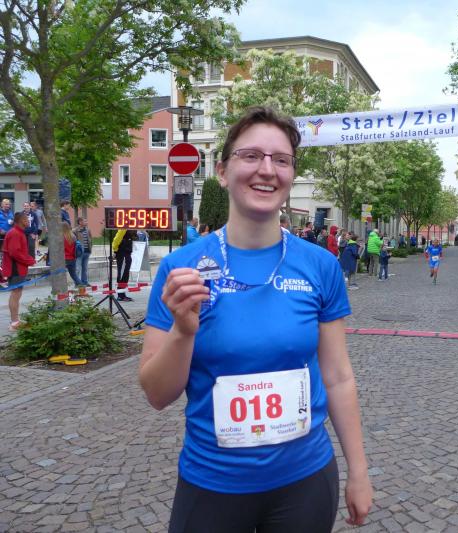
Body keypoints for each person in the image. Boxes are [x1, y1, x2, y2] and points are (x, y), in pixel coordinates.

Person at [139, 106, 372, 531]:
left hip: (305, 482)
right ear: (223, 171)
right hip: (212, 483)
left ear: (291, 175)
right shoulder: (181, 270)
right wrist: (183, 332)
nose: (267, 170)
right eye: (250, 156)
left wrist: (358, 471)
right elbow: (157, 394)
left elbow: (338, 377)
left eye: (281, 160)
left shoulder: (320, 266)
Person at [2, 212, 35, 330]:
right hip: (15, 268)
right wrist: (29, 260)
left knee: (17, 293)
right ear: (22, 221)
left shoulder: (18, 232)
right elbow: (15, 253)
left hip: (18, 268)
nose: (28, 221)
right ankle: (14, 322)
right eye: (27, 219)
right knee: (15, 294)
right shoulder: (15, 233)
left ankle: (15, 320)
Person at [112, 229, 136, 302]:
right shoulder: (123, 228)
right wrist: (115, 250)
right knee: (122, 274)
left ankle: (123, 294)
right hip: (122, 254)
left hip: (127, 254)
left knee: (125, 275)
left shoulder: (129, 229)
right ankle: (120, 295)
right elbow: (116, 239)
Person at [74, 217, 92, 286]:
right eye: (85, 221)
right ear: (80, 222)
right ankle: (77, 283)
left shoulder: (88, 230)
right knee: (77, 268)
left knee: (85, 268)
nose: (86, 222)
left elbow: (90, 239)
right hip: (79, 253)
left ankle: (85, 282)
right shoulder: (75, 231)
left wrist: (90, 248)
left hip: (87, 252)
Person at [62, 221, 81, 287]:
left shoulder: (62, 237)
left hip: (64, 258)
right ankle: (81, 286)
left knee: (61, 275)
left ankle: (63, 288)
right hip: (72, 258)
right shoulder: (73, 236)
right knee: (74, 275)